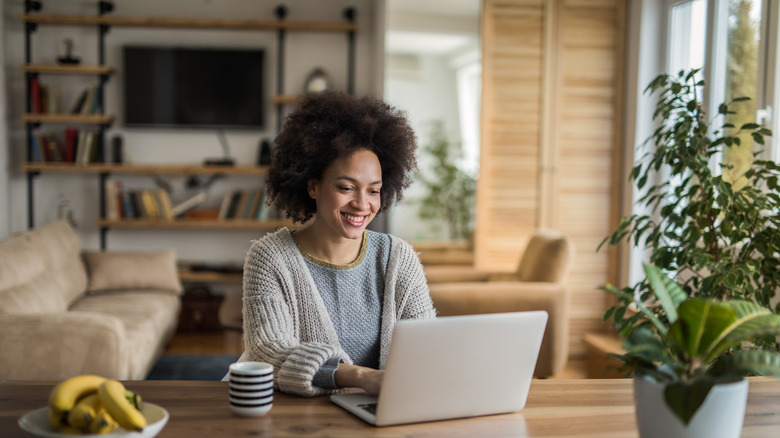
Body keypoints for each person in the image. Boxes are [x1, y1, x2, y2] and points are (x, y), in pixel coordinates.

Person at [238, 91, 437, 397]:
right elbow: (268, 352)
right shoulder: (270, 257)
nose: (362, 204)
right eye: (346, 187)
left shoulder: (398, 258)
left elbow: (426, 346)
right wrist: (360, 376)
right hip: (298, 417)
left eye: (373, 191)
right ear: (313, 185)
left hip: (379, 415)